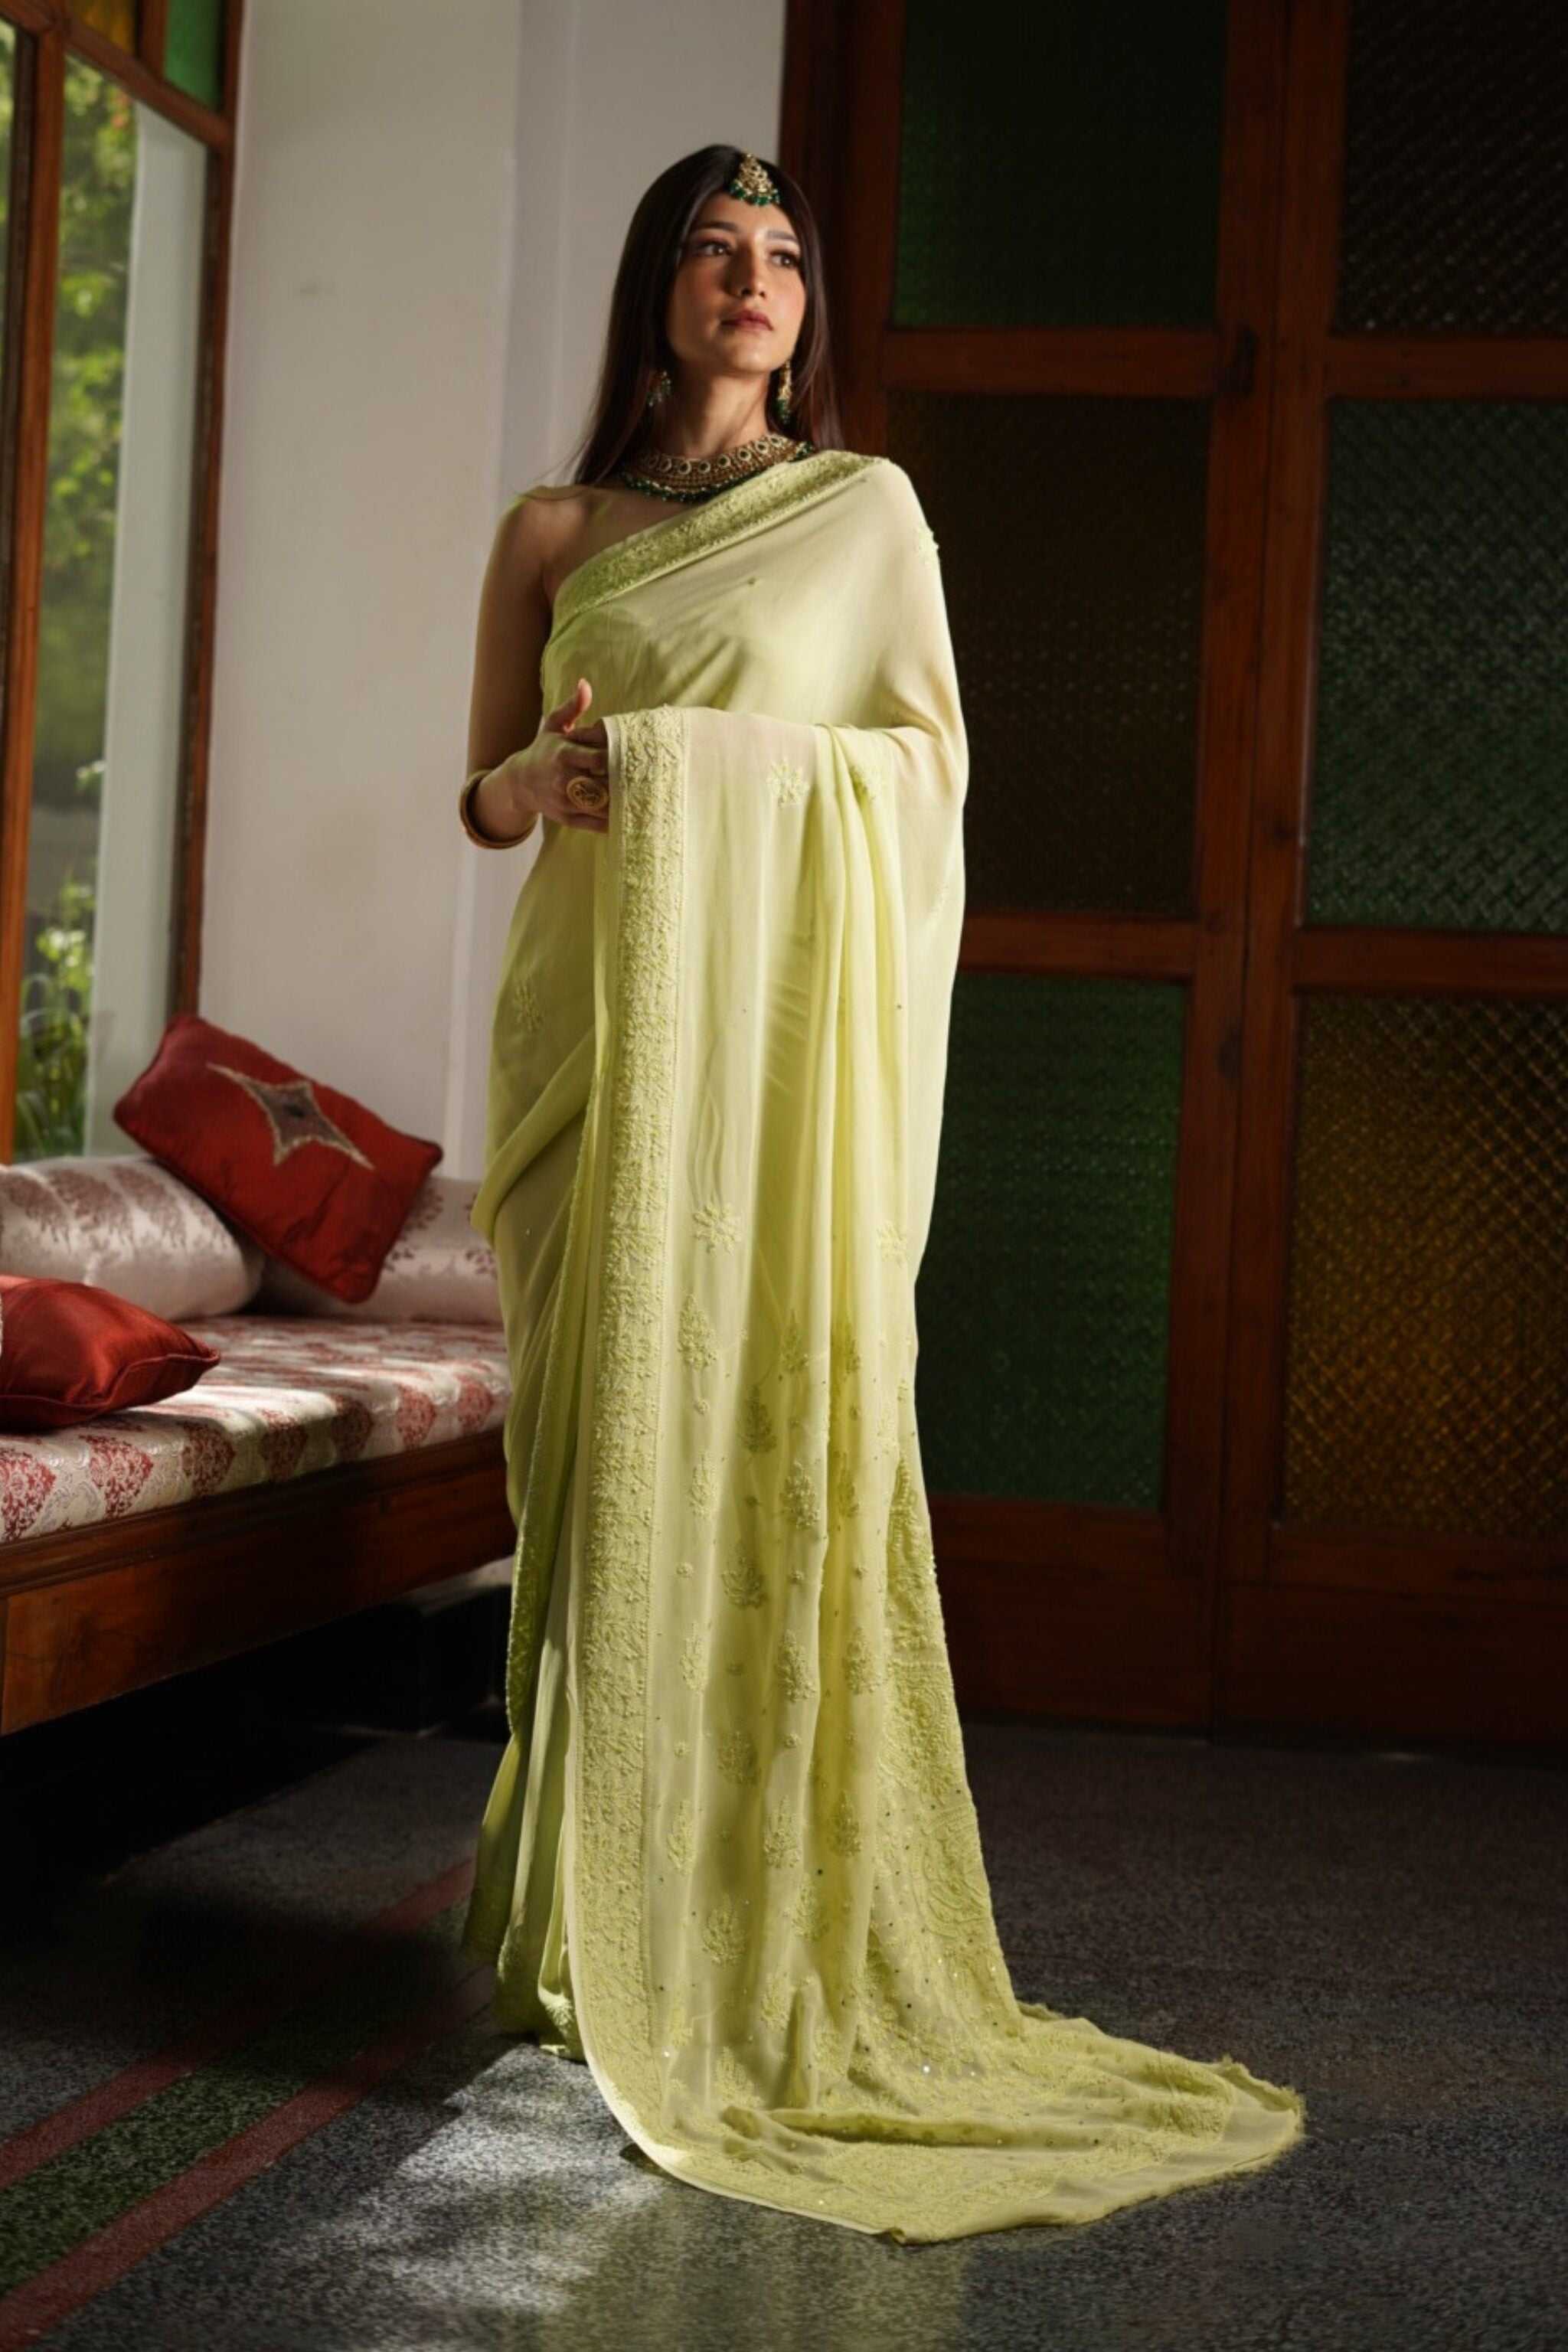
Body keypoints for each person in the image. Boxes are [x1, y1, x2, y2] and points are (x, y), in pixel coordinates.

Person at [456, 143, 1306, 2243]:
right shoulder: (555, 529)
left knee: (756, 1467)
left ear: (807, 307)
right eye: (714, 255)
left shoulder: (868, 516)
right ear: (657, 294)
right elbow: (477, 795)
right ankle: (589, 1934)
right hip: (596, 1061)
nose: (753, 284)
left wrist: (700, 765)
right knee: (588, 1484)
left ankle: (745, 1940)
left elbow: (921, 776)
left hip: (764, 1091)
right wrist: (555, 779)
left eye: (783, 260)